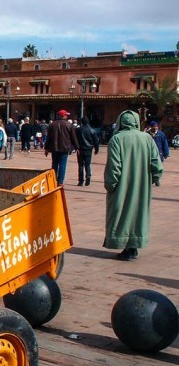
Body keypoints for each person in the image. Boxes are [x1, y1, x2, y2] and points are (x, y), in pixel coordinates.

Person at [103, 110, 163, 261]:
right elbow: (156, 163)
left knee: (122, 213)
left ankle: (126, 246)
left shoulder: (117, 139)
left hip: (122, 185)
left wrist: (111, 184)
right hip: (142, 184)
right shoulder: (147, 138)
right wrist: (154, 178)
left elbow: (114, 167)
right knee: (138, 214)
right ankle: (134, 246)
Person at [44, 110, 79, 185]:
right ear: (63, 116)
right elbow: (73, 137)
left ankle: (53, 180)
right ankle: (60, 182)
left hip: (54, 148)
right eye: (66, 115)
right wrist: (77, 147)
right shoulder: (69, 125)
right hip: (65, 148)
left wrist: (46, 148)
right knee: (62, 165)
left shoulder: (52, 125)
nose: (67, 116)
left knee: (54, 164)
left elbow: (48, 138)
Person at [76, 116, 100, 186]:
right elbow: (96, 141)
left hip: (80, 149)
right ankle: (88, 176)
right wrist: (96, 149)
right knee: (87, 164)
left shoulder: (78, 130)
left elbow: (75, 139)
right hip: (88, 149)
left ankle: (81, 181)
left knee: (80, 165)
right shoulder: (92, 130)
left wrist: (75, 147)